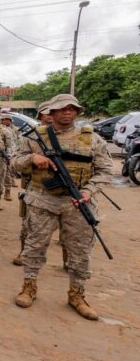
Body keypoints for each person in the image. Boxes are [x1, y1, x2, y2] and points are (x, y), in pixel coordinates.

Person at [11, 94, 112, 320]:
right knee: (35, 246)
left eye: (72, 109)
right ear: (52, 113)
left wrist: (88, 190)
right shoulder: (35, 138)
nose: (68, 112)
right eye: (62, 109)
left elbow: (105, 171)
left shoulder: (93, 140)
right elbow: (14, 163)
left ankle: (77, 294)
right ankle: (29, 287)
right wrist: (32, 159)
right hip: (43, 200)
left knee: (80, 250)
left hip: (77, 203)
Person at [14, 101, 53, 266]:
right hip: (36, 187)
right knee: (29, 224)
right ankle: (24, 251)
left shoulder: (76, 136)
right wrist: (31, 159)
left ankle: (68, 260)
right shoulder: (31, 136)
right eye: (47, 113)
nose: (51, 116)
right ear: (40, 116)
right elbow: (15, 160)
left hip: (65, 190)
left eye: (54, 112)